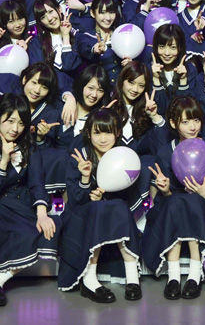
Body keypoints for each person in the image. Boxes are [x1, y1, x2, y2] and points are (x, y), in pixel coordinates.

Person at [0, 94, 58, 307]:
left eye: (21, 123)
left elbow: (37, 183)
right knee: (7, 230)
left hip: (20, 207)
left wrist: (42, 213)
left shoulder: (29, 148)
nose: (15, 129)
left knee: (46, 229)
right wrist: (4, 162)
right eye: (10, 121)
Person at [142, 96, 205, 300]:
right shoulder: (166, 152)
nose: (192, 127)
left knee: (191, 201)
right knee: (178, 201)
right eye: (186, 121)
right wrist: (164, 190)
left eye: (196, 120)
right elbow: (164, 199)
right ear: (173, 123)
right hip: (172, 209)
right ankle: (174, 276)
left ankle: (194, 274)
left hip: (204, 211)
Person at [59, 109, 147, 302]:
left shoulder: (123, 155)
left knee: (119, 206)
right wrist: (85, 179)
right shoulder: (80, 155)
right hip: (80, 217)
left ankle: (132, 276)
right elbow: (74, 199)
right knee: (100, 208)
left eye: (108, 132)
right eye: (97, 133)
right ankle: (89, 280)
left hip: (113, 214)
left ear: (117, 133)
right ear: (88, 133)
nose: (103, 139)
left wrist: (105, 195)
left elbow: (127, 192)